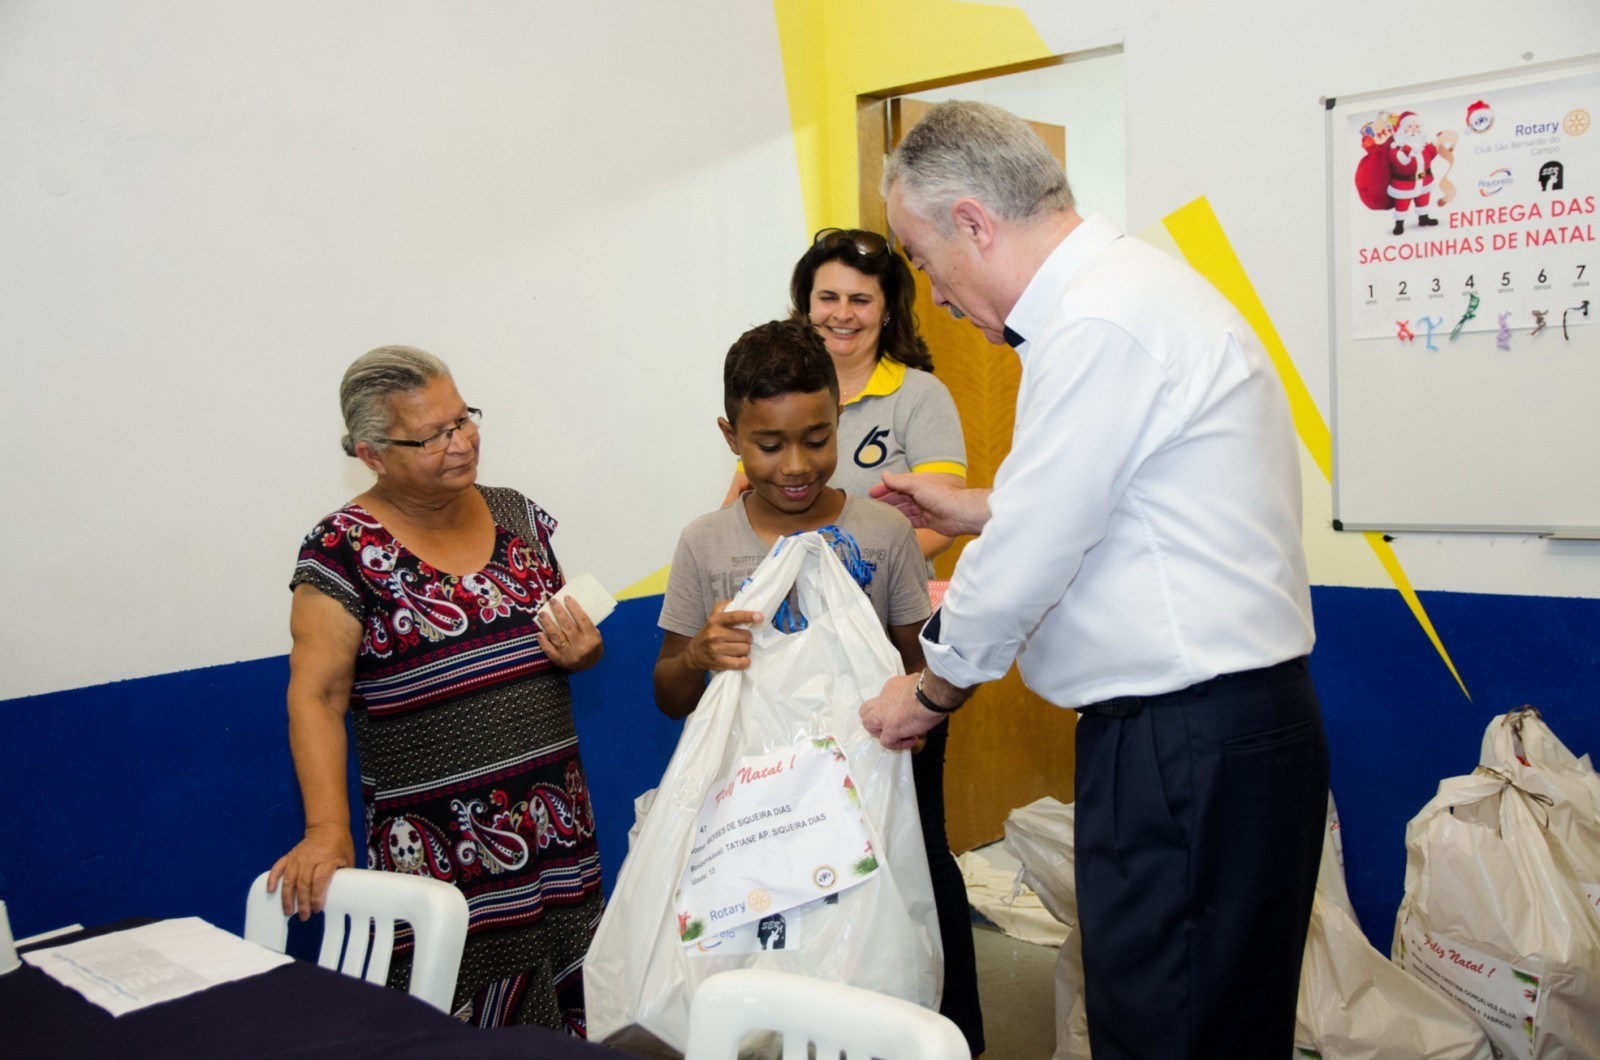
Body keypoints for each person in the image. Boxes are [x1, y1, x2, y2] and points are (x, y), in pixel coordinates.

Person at [859, 101, 1328, 1060]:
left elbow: (1036, 549)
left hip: (1182, 741)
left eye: (922, 259)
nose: (933, 295)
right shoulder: (1135, 291)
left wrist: (934, 686)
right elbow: (1126, 494)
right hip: (1226, 731)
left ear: (974, 224)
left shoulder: (1097, 321)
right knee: (1216, 1026)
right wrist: (979, 507)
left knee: (1164, 1029)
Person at [656, 320, 984, 1055]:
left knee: (906, 912)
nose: (797, 465)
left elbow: (918, 667)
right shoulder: (706, 544)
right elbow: (669, 694)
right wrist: (700, 653)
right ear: (730, 436)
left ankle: (939, 1038)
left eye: (817, 437)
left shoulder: (884, 533)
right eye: (769, 445)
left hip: (875, 788)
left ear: (839, 419)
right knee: (779, 949)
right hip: (759, 814)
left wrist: (915, 716)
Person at [265, 345, 605, 1032]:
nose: (461, 442)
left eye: (463, 419)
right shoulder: (341, 551)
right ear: (371, 454)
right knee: (456, 1030)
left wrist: (583, 653)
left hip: (554, 835)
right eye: (432, 435)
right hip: (443, 856)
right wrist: (325, 831)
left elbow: (562, 636)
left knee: (573, 1019)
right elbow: (317, 697)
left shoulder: (517, 517)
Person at [723, 228, 968, 560]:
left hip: (883, 588)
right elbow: (737, 514)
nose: (842, 314)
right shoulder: (775, 394)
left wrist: (848, 571)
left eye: (860, 300)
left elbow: (941, 525)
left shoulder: (921, 396)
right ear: (807, 305)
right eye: (828, 298)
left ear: (887, 310)